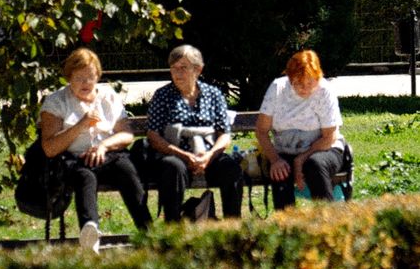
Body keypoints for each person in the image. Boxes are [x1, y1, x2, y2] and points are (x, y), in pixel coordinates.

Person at [39, 47, 151, 253]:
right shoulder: (56, 101)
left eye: (91, 77)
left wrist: (103, 145)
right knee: (85, 177)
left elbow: (126, 135)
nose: (86, 83)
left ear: (97, 77)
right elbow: (49, 148)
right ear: (69, 77)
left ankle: (148, 232)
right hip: (72, 158)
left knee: (126, 170)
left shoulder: (108, 96)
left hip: (108, 155)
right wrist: (81, 125)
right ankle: (90, 235)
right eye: (79, 78)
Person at [146, 44, 243, 221]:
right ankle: (173, 231)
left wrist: (209, 156)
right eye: (173, 68)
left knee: (231, 168)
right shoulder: (162, 95)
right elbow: (153, 136)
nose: (177, 73)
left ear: (198, 69)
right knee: (172, 167)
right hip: (176, 155)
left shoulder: (213, 94)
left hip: (208, 156)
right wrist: (184, 156)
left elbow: (224, 134)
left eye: (183, 68)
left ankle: (233, 231)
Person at [255, 49, 346, 210]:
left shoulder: (324, 91)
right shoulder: (278, 88)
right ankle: (287, 226)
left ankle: (329, 223)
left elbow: (329, 136)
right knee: (280, 172)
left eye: (310, 83)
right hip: (285, 150)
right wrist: (275, 159)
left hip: (322, 149)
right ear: (290, 79)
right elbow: (261, 131)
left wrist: (301, 160)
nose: (304, 88)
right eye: (298, 83)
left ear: (318, 77)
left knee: (315, 165)